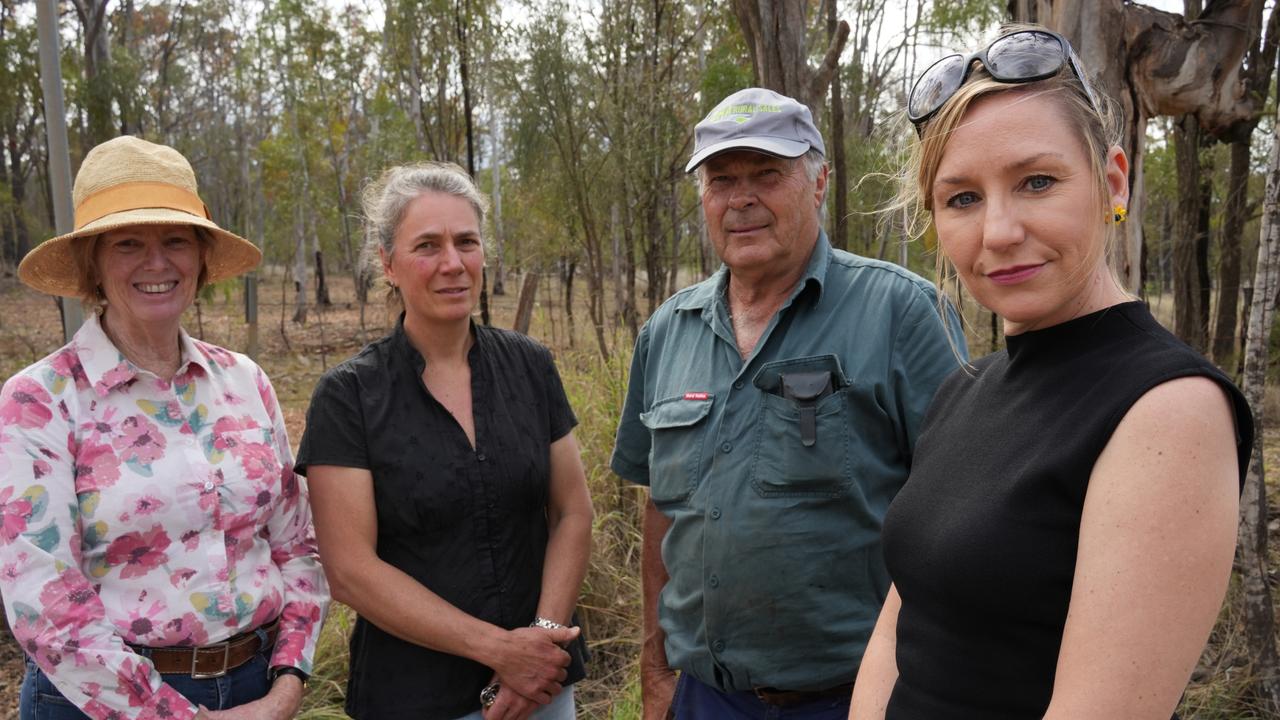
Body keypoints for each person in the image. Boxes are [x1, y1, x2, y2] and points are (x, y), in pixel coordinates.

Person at [850, 25, 1254, 720]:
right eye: (963, 198)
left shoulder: (1167, 411)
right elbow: (902, 619)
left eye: (1037, 182)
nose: (999, 231)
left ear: (1112, 183)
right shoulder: (965, 389)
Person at [610, 87, 965, 720]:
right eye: (721, 181)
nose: (740, 199)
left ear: (819, 181)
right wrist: (656, 668)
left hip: (858, 696)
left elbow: (961, 512)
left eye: (767, 174)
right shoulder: (668, 332)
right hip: (702, 698)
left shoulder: (901, 312)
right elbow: (663, 513)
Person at [0, 136, 329, 720]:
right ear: (93, 264)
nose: (157, 263)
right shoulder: (42, 400)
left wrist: (287, 685)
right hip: (97, 701)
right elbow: (42, 600)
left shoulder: (244, 380)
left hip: (258, 689)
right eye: (128, 244)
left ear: (201, 258)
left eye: (176, 240)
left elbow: (297, 546)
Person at [294, 161, 593, 720]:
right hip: (415, 697)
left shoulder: (529, 367)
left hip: (541, 691)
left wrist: (543, 642)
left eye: (466, 242)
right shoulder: (349, 397)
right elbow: (351, 571)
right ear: (387, 263)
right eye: (427, 246)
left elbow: (572, 511)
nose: (452, 264)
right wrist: (501, 651)